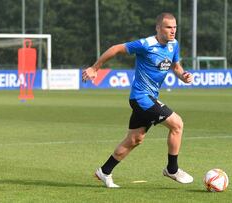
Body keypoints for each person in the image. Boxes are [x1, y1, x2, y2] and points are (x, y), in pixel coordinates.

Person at [82, 13, 193, 188]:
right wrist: (95, 67)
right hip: (141, 98)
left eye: (175, 27)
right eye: (168, 27)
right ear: (158, 28)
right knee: (177, 124)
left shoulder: (174, 45)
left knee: (135, 139)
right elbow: (116, 48)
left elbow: (176, 67)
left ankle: (104, 171)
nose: (173, 31)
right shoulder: (146, 44)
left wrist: (183, 76)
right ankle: (172, 169)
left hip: (149, 98)